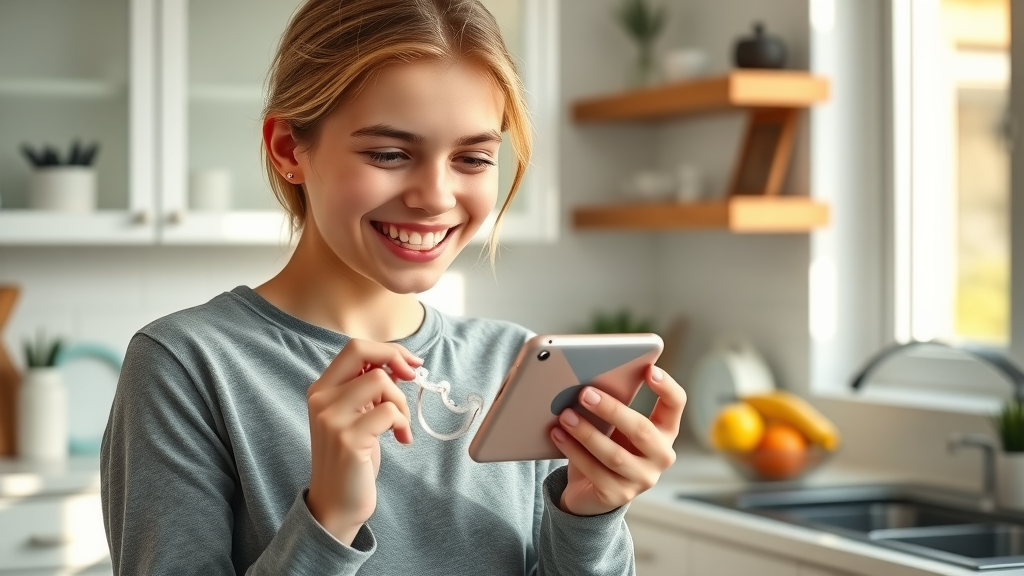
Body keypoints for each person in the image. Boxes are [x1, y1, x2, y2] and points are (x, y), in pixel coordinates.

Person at [100, 0, 687, 574]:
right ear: (288, 150)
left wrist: (588, 516)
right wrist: (327, 523)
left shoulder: (511, 362)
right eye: (388, 152)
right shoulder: (186, 366)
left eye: (474, 157)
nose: (435, 196)